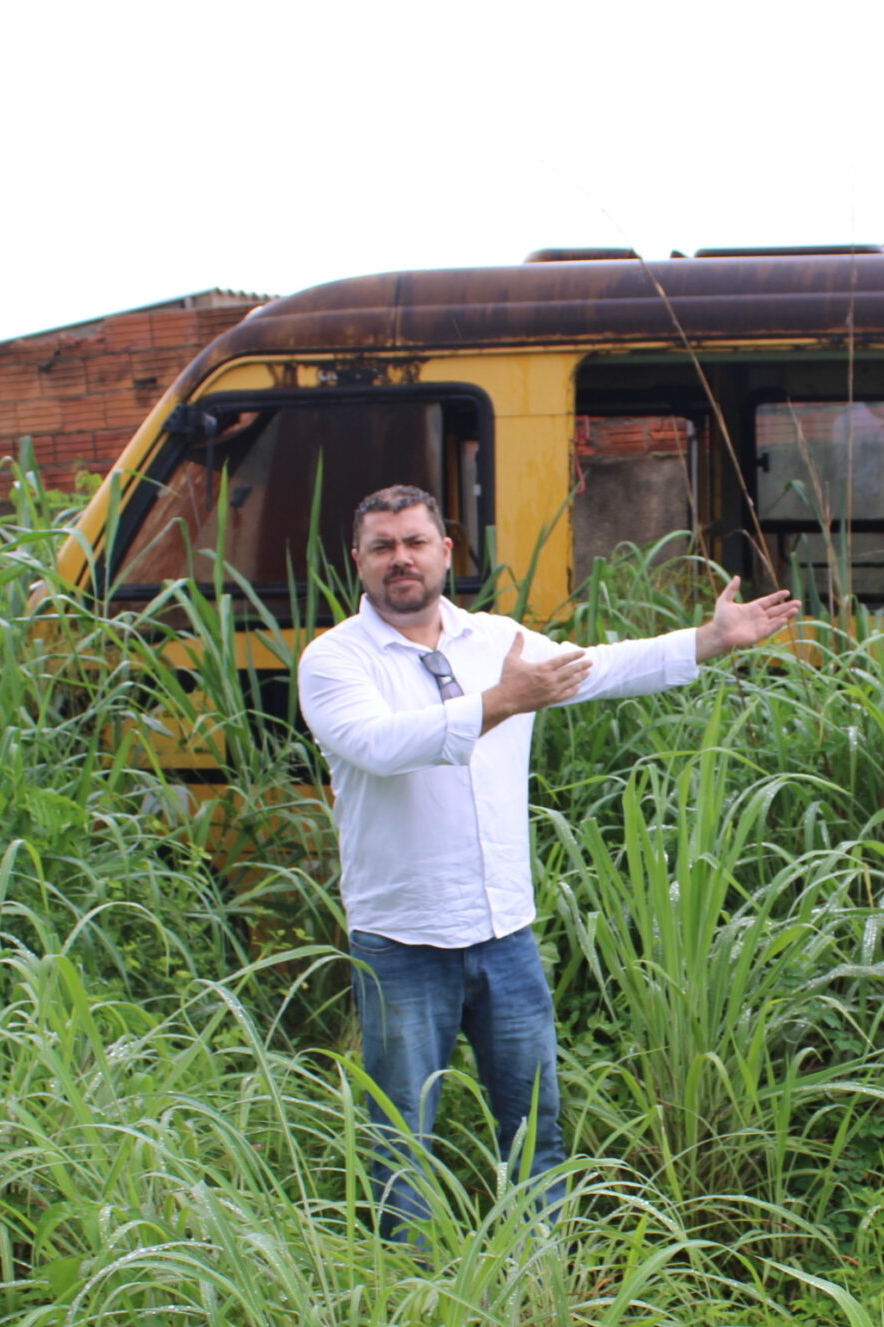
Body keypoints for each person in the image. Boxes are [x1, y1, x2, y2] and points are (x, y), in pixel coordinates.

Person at [297, 483, 798, 1235]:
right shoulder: (335, 659)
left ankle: (543, 1271)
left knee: (535, 1127)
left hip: (505, 933)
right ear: (358, 560)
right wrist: (502, 700)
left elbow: (602, 666)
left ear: (445, 550)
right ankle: (404, 1285)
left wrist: (710, 639)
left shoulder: (495, 640)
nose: (401, 558)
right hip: (402, 940)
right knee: (400, 1138)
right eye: (382, 546)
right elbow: (379, 745)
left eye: (415, 542)